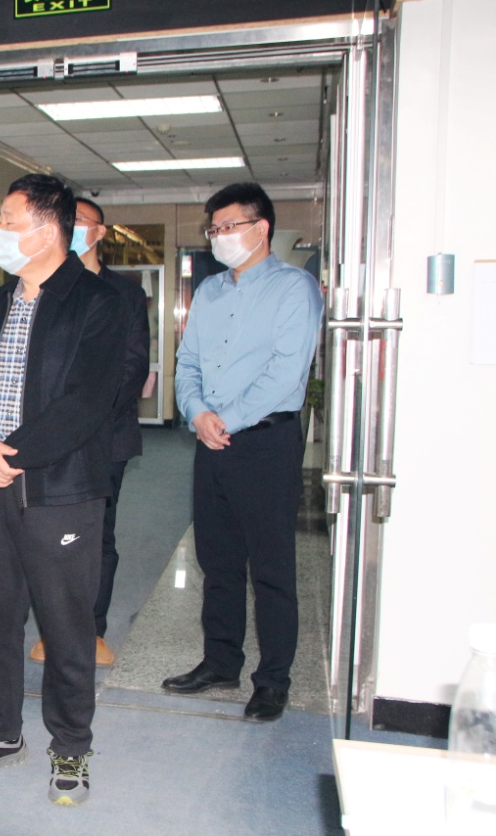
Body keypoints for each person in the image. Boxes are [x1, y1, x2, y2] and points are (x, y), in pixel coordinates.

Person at [0, 174, 125, 806]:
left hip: (61, 489)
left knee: (66, 625)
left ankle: (71, 743)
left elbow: (87, 402)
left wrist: (7, 458)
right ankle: (0, 730)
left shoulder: (99, 303)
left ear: (48, 231)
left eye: (9, 222)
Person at [162, 182, 323, 723]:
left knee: (271, 568)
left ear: (262, 228)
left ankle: (273, 680)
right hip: (211, 442)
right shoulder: (209, 292)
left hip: (266, 444)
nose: (219, 237)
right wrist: (196, 412)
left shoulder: (295, 288)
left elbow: (286, 374)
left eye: (229, 226)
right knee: (218, 561)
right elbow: (187, 362)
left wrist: (224, 419)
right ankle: (220, 662)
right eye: (214, 229)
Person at [29, 198, 150, 668]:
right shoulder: (41, 287)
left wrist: (85, 420)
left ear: (100, 232)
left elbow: (132, 365)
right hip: (45, 437)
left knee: (97, 535)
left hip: (105, 436)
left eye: (82, 222)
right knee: (46, 536)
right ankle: (52, 629)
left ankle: (91, 630)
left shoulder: (124, 294)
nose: (74, 228)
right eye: (69, 221)